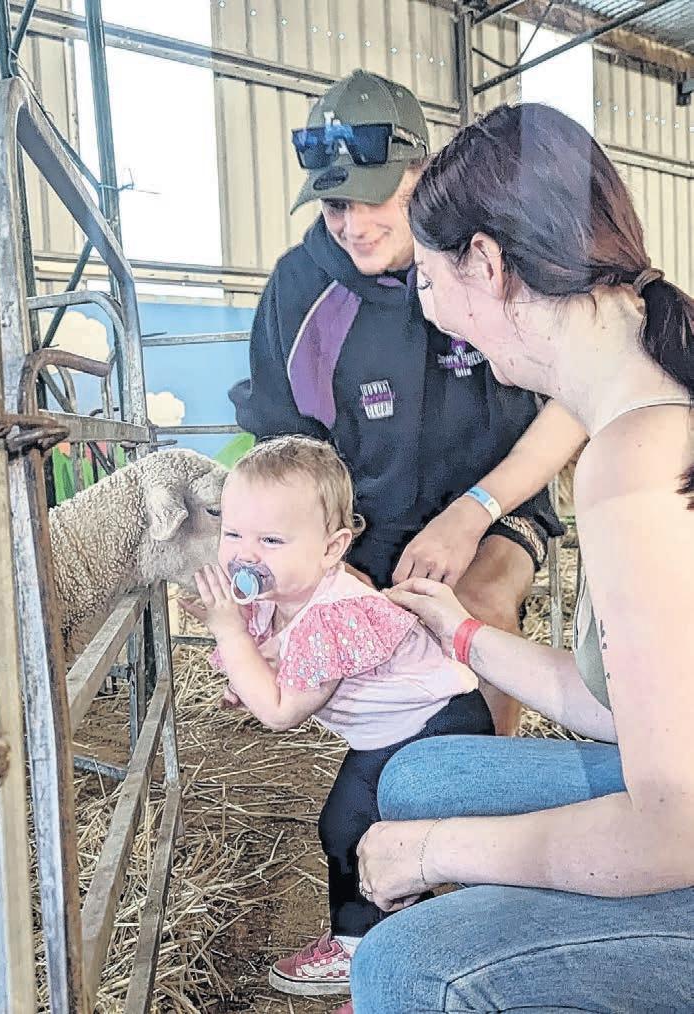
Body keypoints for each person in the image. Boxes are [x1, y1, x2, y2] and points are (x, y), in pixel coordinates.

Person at [347, 102, 694, 1013]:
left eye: (430, 278)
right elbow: (618, 708)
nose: (430, 307)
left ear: (488, 263)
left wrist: (434, 853)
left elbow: (674, 829)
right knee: (421, 777)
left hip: (683, 826)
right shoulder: (646, 394)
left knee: (404, 967)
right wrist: (459, 634)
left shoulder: (636, 459)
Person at [229, 69, 586, 737]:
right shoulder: (299, 290)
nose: (355, 226)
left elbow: (575, 399)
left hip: (496, 503)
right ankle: (403, 769)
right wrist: (327, 565)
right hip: (362, 520)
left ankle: (485, 772)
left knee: (476, 607)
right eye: (336, 207)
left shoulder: (485, 262)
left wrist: (473, 512)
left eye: (377, 201)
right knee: (342, 628)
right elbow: (283, 450)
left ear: (422, 177)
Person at [186, 435, 494, 999]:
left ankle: (361, 950)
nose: (246, 554)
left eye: (271, 539)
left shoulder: (332, 614)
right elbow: (274, 660)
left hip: (434, 729)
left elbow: (280, 711)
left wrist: (229, 634)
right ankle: (403, 933)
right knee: (355, 827)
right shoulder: (288, 594)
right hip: (400, 731)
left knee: (350, 829)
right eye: (233, 533)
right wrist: (246, 671)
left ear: (332, 548)